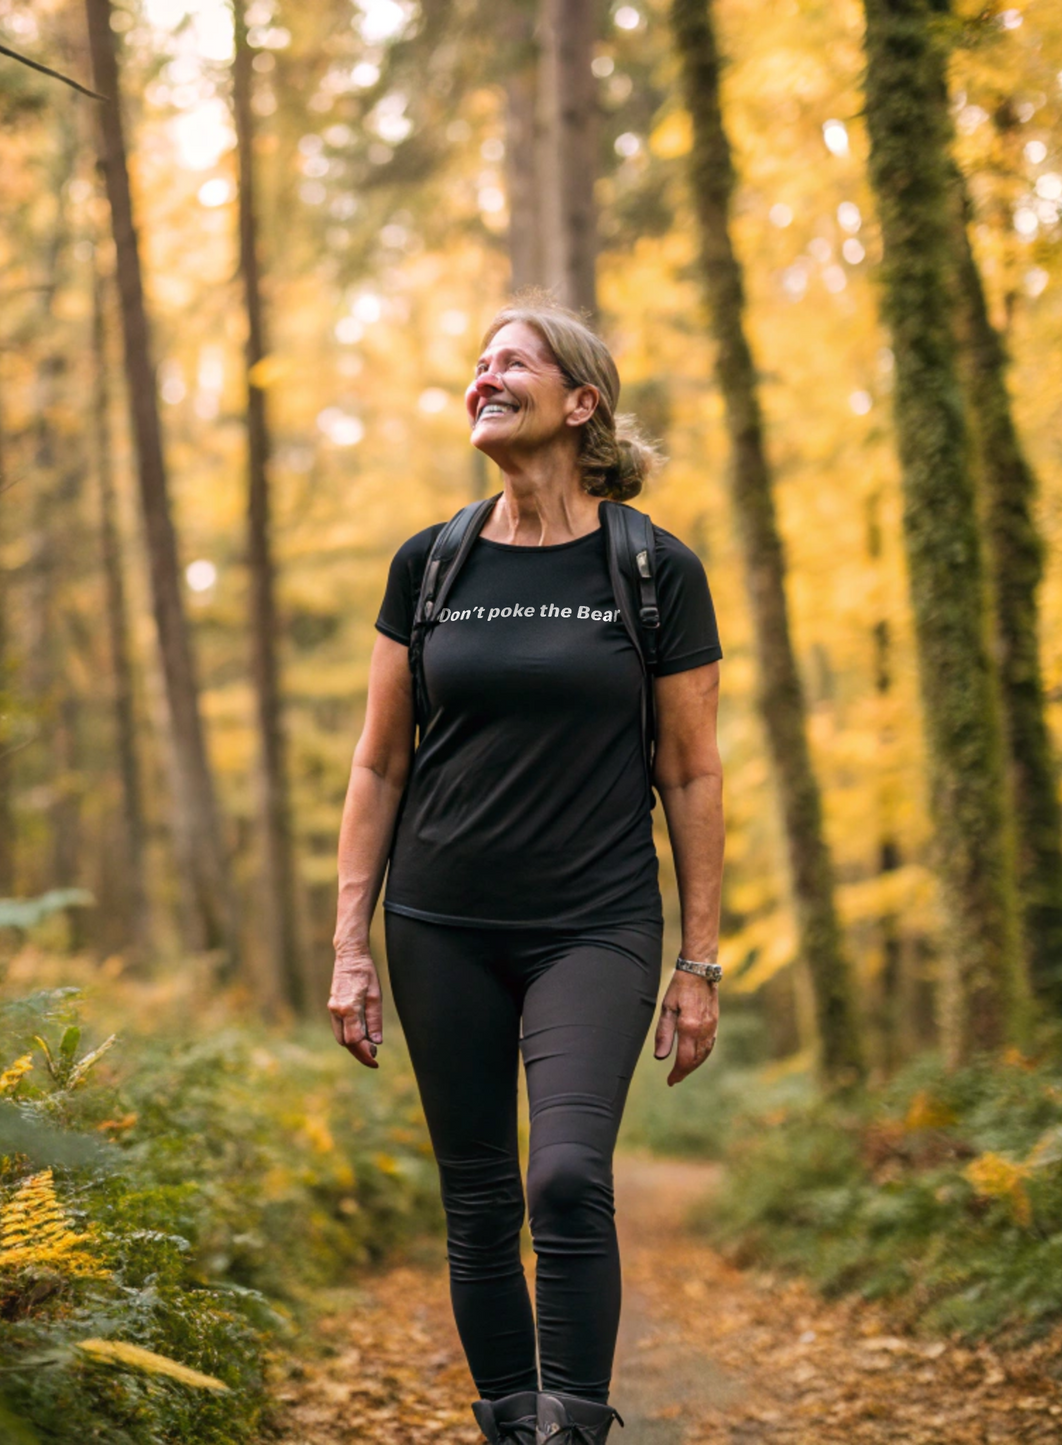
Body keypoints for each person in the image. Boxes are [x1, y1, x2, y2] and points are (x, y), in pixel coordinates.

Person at [329, 297, 724, 1445]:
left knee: (560, 1177)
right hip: (436, 921)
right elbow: (377, 760)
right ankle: (512, 1422)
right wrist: (350, 943)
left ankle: (577, 1424)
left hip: (592, 923)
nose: (481, 377)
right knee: (476, 1199)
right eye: (475, 363)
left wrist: (697, 958)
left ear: (578, 402)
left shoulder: (651, 569)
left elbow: (691, 775)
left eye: (510, 361)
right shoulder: (430, 563)